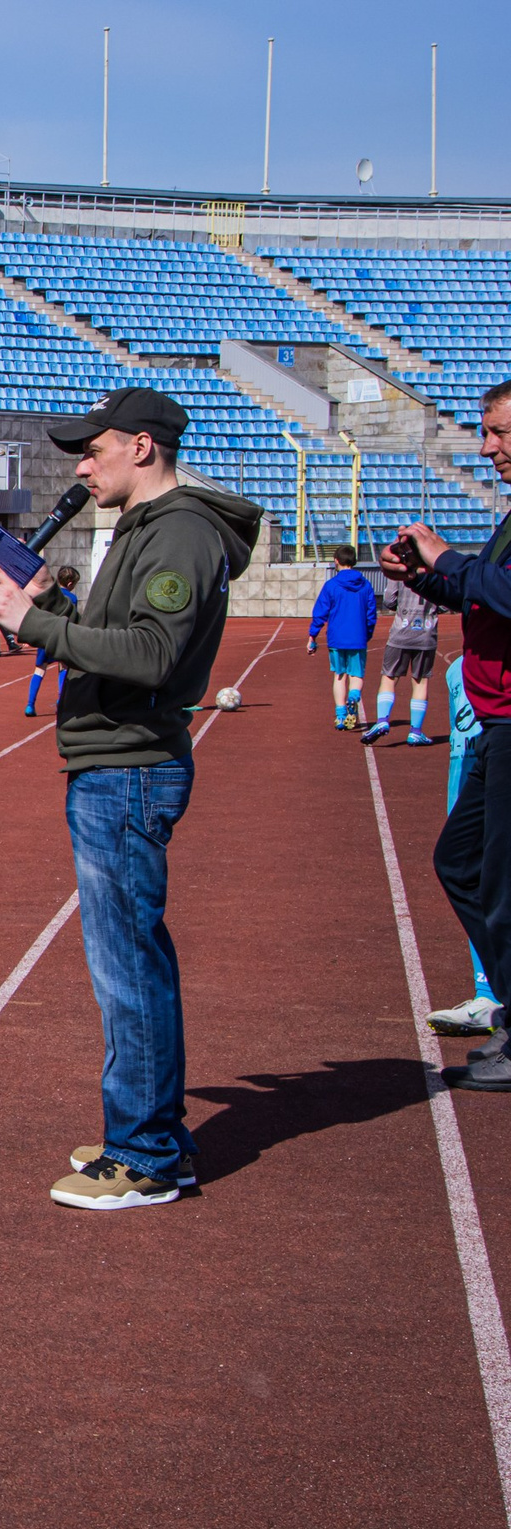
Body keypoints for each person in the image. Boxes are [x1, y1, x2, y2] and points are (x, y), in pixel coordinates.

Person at [0, 386, 261, 1208]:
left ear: (142, 447)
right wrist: (44, 608)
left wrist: (36, 624)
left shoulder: (182, 534)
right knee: (130, 960)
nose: (81, 467)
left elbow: (152, 654)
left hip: (129, 766)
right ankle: (154, 1133)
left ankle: (145, 1156)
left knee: (127, 967)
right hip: (116, 761)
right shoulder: (149, 529)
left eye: (92, 451)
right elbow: (116, 636)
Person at [376, 378, 511, 1090]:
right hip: (497, 720)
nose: (487, 448)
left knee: (499, 881)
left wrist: (450, 559)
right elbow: (483, 589)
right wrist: (426, 576)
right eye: (485, 433)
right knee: (462, 864)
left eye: (499, 433)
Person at [429, 656, 504, 1037]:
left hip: (498, 766)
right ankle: (488, 991)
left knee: (493, 881)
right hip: (467, 770)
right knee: (465, 873)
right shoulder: (458, 667)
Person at [308, 543, 380, 730]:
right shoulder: (365, 586)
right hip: (358, 637)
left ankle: (340, 716)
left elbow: (320, 612)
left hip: (337, 638)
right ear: (354, 561)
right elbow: (371, 614)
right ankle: (353, 695)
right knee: (356, 674)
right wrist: (367, 634)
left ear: (336, 561)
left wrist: (312, 636)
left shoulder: (331, 585)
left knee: (339, 676)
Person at [363, 576, 442, 746]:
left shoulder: (401, 571)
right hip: (426, 634)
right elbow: (445, 601)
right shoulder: (435, 569)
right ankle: (415, 732)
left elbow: (389, 600)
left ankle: (383, 719)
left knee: (389, 677)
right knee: (421, 681)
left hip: (401, 632)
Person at [23, 566, 81, 716]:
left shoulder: (49, 594)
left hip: (45, 635)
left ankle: (30, 704)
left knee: (39, 670)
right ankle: (60, 701)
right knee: (63, 667)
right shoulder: (72, 598)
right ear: (70, 584)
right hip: (61, 635)